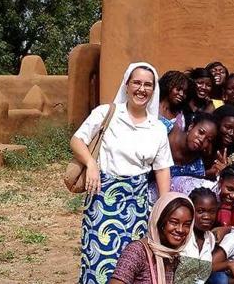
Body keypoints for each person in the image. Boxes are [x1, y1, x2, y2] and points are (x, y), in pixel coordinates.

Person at [71, 62, 173, 283]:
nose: (141, 89)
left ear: (154, 90)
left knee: (133, 261)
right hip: (102, 197)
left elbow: (162, 168)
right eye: (136, 82)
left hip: (137, 205)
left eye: (148, 85)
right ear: (127, 85)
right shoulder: (106, 113)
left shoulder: (157, 129)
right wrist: (91, 164)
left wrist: (163, 207)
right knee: (98, 258)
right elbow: (77, 140)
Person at [110, 192, 194, 284]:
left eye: (187, 225)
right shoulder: (137, 251)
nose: (180, 230)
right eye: (174, 222)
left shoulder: (177, 257)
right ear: (160, 221)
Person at [174, 188, 218, 283]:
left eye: (212, 212)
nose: (207, 217)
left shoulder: (210, 238)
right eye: (200, 211)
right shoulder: (180, 235)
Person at [169, 112, 218, 178]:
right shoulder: (164, 129)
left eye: (208, 140)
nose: (202, 139)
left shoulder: (197, 168)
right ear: (191, 127)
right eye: (201, 132)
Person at [205, 105, 234, 178]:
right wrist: (207, 173)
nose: (231, 133)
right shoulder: (202, 146)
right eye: (227, 127)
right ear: (217, 123)